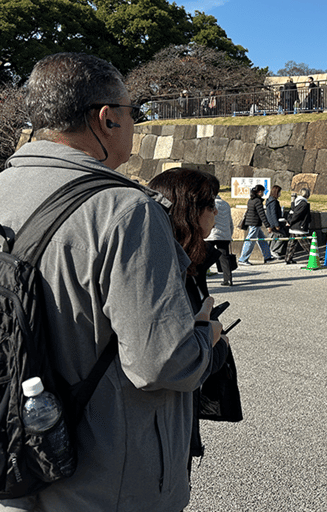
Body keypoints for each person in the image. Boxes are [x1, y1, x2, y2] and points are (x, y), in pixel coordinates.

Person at [0, 52, 222, 511]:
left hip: (16, 450)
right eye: (131, 112)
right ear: (107, 119)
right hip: (107, 478)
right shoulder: (125, 211)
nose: (134, 123)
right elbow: (161, 363)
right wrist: (205, 334)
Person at [147, 169, 233, 473]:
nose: (217, 209)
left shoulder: (192, 261)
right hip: (157, 427)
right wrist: (212, 339)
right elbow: (171, 363)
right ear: (188, 211)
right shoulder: (163, 271)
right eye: (210, 203)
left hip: (178, 417)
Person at [238, 184, 274, 265]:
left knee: (262, 240)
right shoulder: (258, 201)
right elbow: (262, 214)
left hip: (253, 223)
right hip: (254, 224)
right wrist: (268, 226)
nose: (263, 193)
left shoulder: (251, 200)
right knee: (250, 241)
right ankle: (243, 259)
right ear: (259, 192)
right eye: (262, 191)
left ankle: (267, 257)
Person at [205, 192, 236, 286]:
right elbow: (230, 221)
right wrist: (230, 234)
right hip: (224, 235)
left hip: (211, 234)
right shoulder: (226, 204)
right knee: (224, 258)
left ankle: (201, 278)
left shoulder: (209, 203)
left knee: (206, 256)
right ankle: (228, 280)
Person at [285, 188, 312, 265]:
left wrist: (289, 221)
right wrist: (290, 221)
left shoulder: (296, 202)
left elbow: (292, 212)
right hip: (299, 225)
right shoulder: (303, 203)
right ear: (307, 195)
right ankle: (314, 256)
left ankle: (288, 258)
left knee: (292, 243)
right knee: (305, 243)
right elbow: (297, 215)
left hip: (294, 226)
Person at [265, 185, 288, 259]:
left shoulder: (269, 200)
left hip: (270, 223)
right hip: (274, 223)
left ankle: (270, 251)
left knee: (273, 236)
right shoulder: (274, 202)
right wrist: (276, 224)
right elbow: (273, 214)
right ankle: (274, 250)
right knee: (282, 235)